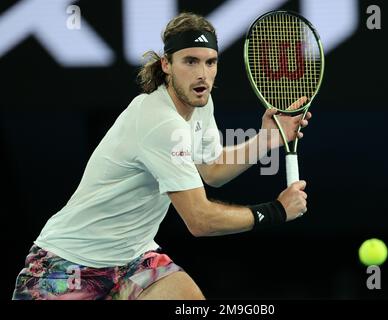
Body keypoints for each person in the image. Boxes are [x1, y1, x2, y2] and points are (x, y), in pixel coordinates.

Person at [12, 12, 311, 300]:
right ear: (166, 64)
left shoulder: (200, 104)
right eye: (190, 61)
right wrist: (277, 211)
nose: (202, 74)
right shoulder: (160, 122)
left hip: (132, 259)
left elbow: (211, 169)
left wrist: (266, 139)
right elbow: (200, 220)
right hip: (69, 264)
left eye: (210, 62)